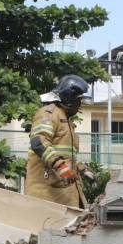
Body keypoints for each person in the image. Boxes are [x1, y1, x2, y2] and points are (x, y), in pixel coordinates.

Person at [26, 74, 94, 208]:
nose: (80, 105)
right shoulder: (48, 114)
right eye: (78, 100)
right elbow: (39, 143)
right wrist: (61, 167)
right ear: (69, 98)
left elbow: (65, 155)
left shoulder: (65, 120)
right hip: (46, 194)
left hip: (63, 193)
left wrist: (82, 169)